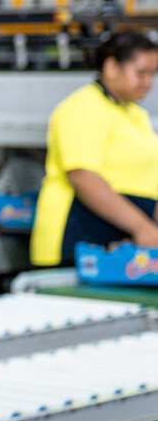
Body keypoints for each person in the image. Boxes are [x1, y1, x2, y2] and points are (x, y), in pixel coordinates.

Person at [31, 31, 158, 266]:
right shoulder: (84, 108)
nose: (148, 81)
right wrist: (142, 227)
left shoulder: (135, 114)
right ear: (111, 67)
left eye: (153, 74)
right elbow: (83, 177)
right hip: (79, 237)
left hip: (124, 242)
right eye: (141, 73)